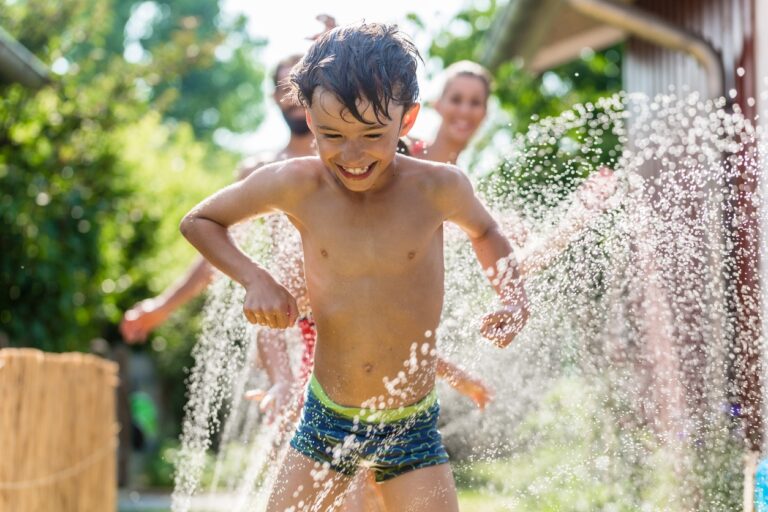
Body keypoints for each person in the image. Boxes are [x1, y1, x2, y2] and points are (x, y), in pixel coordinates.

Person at [180, 22, 529, 512]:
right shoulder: (296, 184)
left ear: (407, 120)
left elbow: (487, 232)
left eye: (371, 134)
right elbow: (200, 220)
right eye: (331, 135)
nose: (352, 154)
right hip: (327, 419)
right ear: (308, 117)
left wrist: (513, 297)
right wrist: (255, 278)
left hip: (410, 425)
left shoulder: (437, 188)